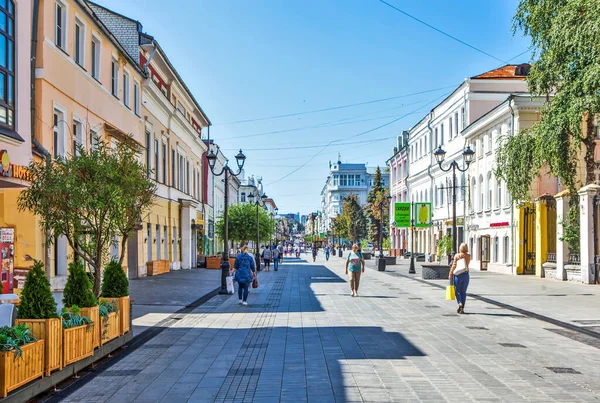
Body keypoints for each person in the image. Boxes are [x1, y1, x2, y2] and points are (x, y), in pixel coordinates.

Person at [449, 243, 471, 314]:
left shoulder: (457, 255)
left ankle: (460, 303)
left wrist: (450, 273)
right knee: (463, 292)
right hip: (466, 275)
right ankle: (462, 308)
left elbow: (454, 265)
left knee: (457, 291)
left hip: (458, 275)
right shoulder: (468, 256)